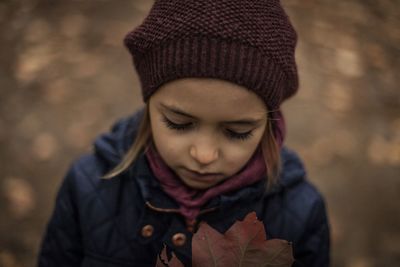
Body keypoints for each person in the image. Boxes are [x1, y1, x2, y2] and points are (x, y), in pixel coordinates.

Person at [38, 0, 330, 266]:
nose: (203, 155)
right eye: (179, 124)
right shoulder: (88, 187)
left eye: (237, 131)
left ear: (269, 123)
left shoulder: (300, 214)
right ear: (149, 104)